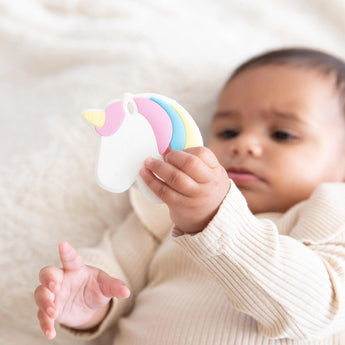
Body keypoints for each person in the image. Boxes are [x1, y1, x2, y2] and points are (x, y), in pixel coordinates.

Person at [34, 48, 345, 344]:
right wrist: (87, 300)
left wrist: (215, 219)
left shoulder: (331, 208)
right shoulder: (162, 209)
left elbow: (316, 308)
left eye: (282, 134)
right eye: (228, 132)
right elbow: (115, 272)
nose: (244, 144)